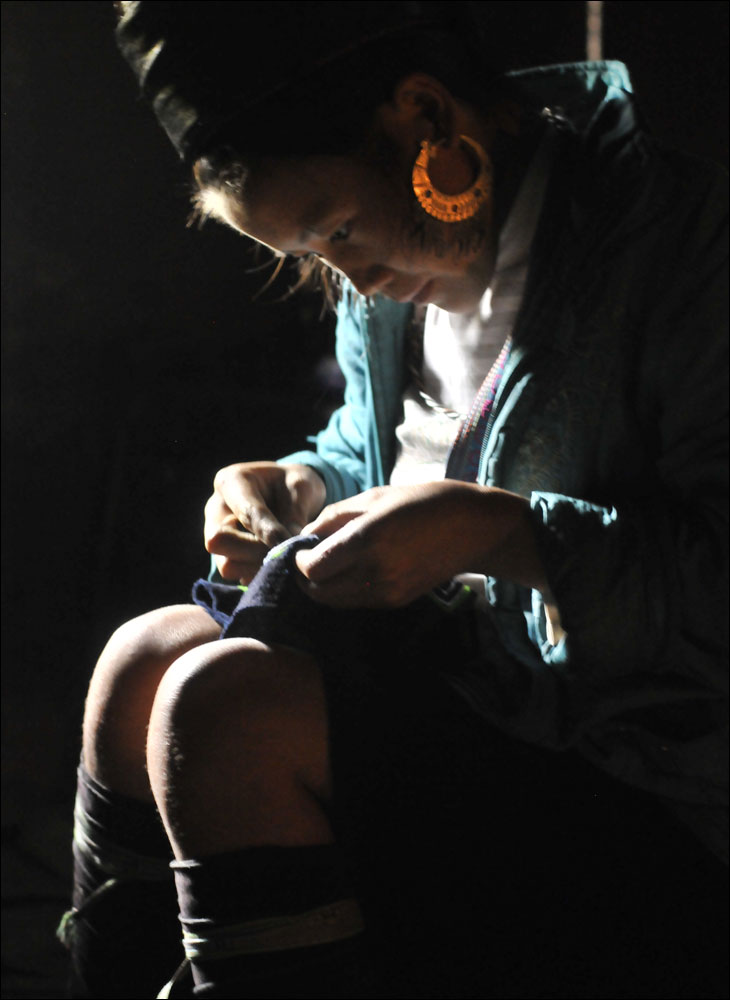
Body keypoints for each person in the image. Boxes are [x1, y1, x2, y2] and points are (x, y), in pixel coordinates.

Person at [59, 2, 728, 998]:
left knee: (226, 711)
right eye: (309, 253)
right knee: (143, 660)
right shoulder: (396, 270)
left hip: (644, 782)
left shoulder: (685, 250)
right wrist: (306, 483)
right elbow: (383, 446)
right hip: (472, 694)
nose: (351, 278)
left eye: (336, 228)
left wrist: (505, 536)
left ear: (424, 115)